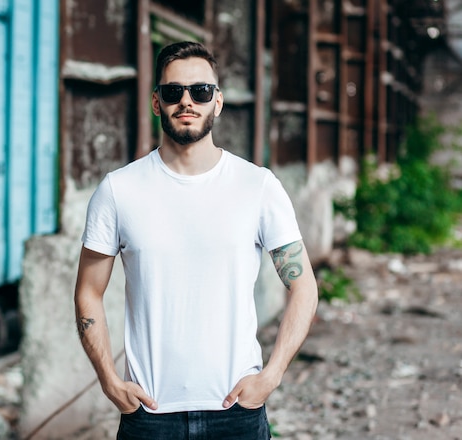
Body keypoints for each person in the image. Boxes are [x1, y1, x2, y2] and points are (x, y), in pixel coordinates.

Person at [74, 41, 319, 439]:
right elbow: (88, 291)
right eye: (174, 92)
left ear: (217, 102)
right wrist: (108, 380)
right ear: (157, 102)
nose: (187, 101)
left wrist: (270, 377)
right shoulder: (119, 190)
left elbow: (303, 285)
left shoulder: (257, 186)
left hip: (235, 411)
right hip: (150, 415)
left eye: (200, 91)